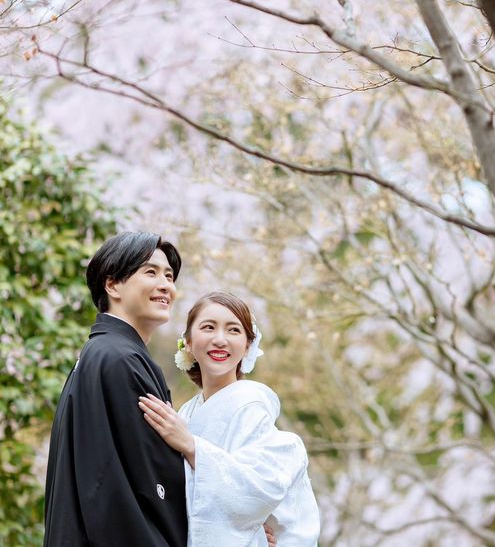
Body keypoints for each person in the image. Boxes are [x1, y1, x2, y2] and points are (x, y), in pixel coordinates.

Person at [138, 291, 320, 546]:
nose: (220, 340)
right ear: (188, 342)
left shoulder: (251, 405)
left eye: (233, 330)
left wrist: (192, 447)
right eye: (208, 327)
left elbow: (256, 490)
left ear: (247, 345)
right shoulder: (185, 413)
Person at [43, 232, 188, 546]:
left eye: (169, 276)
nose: (166, 285)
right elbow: (153, 476)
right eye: (150, 272)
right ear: (112, 285)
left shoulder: (102, 353)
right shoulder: (121, 359)